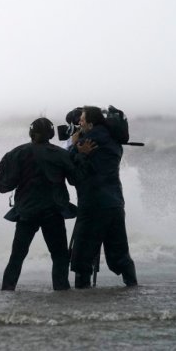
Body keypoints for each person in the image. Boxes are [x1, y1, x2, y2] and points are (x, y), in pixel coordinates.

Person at [0, 117, 92, 291]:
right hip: (53, 212)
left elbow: (4, 186)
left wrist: (0, 178)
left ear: (31, 133)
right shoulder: (61, 155)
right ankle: (61, 292)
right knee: (60, 257)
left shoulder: (15, 153)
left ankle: (7, 291)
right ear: (51, 134)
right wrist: (82, 155)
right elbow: (75, 179)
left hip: (26, 212)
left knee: (17, 256)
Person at [69, 106, 137, 288]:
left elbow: (71, 168)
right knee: (120, 253)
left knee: (82, 256)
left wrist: (74, 145)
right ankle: (133, 288)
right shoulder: (113, 139)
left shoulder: (88, 141)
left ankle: (82, 294)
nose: (79, 123)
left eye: (82, 119)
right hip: (114, 203)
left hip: (93, 204)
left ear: (90, 123)